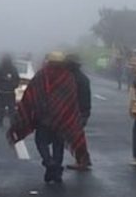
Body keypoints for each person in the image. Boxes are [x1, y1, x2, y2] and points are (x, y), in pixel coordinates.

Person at [8, 52, 88, 184]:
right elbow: (72, 100)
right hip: (62, 119)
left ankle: (49, 162)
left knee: (41, 142)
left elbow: (30, 95)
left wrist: (29, 113)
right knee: (58, 144)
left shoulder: (42, 75)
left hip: (43, 118)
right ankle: (56, 170)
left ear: (48, 61)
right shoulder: (68, 77)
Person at [66, 54, 93, 171]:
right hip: (82, 111)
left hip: (77, 112)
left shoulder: (73, 78)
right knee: (77, 136)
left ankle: (82, 160)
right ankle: (83, 159)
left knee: (76, 137)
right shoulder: (81, 77)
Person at [0, 55, 20, 127]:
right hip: (5, 92)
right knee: (5, 108)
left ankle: (9, 122)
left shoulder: (10, 69)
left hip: (7, 92)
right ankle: (4, 121)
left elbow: (17, 79)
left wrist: (12, 85)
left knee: (7, 108)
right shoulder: (10, 69)